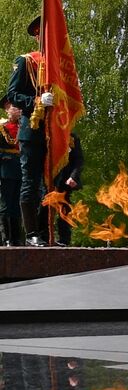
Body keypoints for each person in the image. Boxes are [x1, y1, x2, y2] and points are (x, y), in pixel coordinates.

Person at [7, 17, 50, 245]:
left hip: (56, 132)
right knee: (31, 182)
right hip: (32, 130)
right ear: (37, 35)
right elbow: (12, 94)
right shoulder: (27, 62)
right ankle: (32, 234)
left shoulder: (61, 65)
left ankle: (46, 232)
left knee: (53, 184)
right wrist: (37, 101)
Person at [48, 134, 82, 247]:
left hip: (65, 180)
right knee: (44, 208)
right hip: (48, 179)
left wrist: (73, 176)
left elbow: (78, 160)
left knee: (64, 209)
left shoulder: (72, 138)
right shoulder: (48, 134)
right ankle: (43, 236)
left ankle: (64, 239)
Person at [0, 99, 19, 246]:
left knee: (18, 206)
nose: (17, 109)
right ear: (7, 109)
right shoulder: (2, 127)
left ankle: (17, 238)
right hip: (6, 170)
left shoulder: (25, 126)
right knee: (7, 206)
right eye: (13, 106)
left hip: (22, 170)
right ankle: (7, 238)